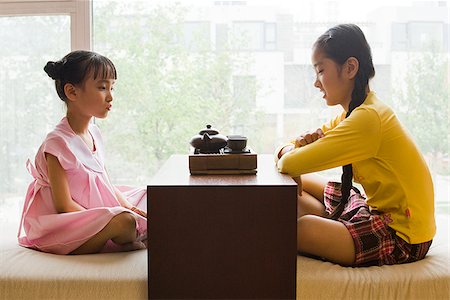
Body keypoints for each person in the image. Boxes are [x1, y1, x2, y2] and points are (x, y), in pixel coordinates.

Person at [275, 24, 435, 267]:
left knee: (303, 228)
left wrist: (292, 155)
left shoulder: (368, 119)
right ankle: (335, 226)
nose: (316, 83)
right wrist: (294, 149)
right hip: (375, 210)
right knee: (299, 185)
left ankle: (330, 227)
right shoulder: (354, 113)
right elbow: (288, 157)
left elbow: (288, 162)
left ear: (350, 68)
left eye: (320, 71)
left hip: (403, 234)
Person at [18, 50, 147, 255]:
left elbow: (106, 182)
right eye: (102, 87)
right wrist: (103, 218)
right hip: (68, 221)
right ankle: (110, 239)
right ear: (72, 92)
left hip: (96, 208)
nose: (110, 96)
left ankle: (121, 234)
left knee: (148, 196)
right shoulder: (57, 142)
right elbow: (64, 205)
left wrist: (129, 206)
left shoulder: (94, 133)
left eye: (112, 87)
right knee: (125, 222)